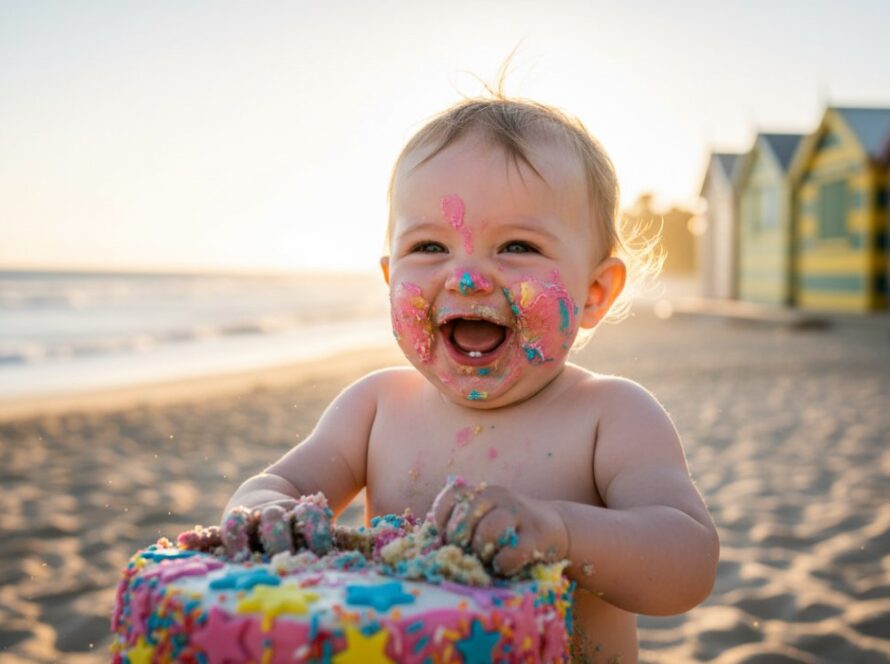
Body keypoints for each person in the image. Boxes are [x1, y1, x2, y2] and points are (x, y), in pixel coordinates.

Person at [224, 93, 719, 662]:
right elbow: (269, 489)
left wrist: (558, 531)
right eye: (429, 246)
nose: (465, 277)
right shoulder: (374, 409)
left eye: (517, 246)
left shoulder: (611, 417)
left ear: (595, 292)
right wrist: (266, 511)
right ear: (389, 278)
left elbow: (688, 564)